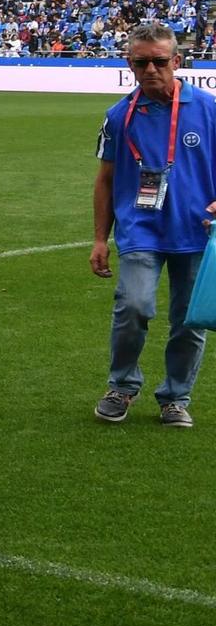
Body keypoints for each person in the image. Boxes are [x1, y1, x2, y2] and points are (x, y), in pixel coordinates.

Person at [90, 22, 213, 428]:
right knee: (134, 306)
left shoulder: (209, 109)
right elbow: (105, 179)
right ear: (129, 63)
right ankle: (121, 386)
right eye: (141, 62)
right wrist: (99, 239)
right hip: (140, 229)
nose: (151, 70)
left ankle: (175, 397)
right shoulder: (119, 115)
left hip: (198, 232)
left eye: (160, 61)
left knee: (189, 320)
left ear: (177, 61)